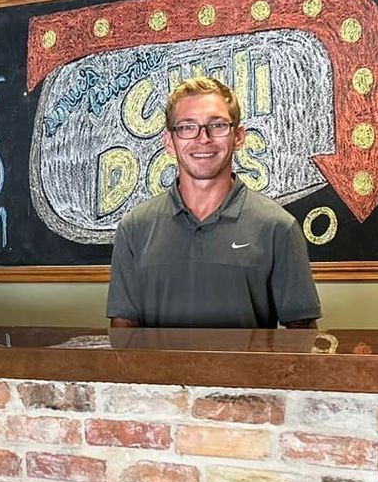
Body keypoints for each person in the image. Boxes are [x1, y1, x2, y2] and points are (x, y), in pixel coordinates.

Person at [106, 75, 320, 330]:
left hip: (247, 372)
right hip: (158, 372)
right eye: (187, 127)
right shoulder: (134, 228)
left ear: (238, 136)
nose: (203, 138)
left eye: (217, 125)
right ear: (169, 142)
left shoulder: (278, 227)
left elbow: (301, 335)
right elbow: (124, 328)